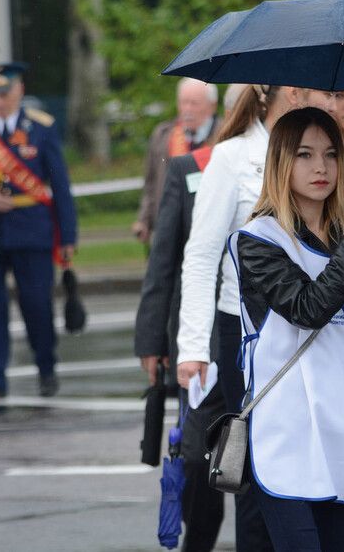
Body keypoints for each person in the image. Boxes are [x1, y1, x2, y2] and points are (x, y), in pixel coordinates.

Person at [176, 84, 335, 552]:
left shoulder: (330, 155)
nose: (320, 99)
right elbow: (202, 254)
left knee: (315, 460)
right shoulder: (233, 157)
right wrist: (192, 347)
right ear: (277, 93)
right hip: (250, 328)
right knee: (260, 465)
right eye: (305, 89)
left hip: (319, 326)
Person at [231, 107, 344, 551]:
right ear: (281, 162)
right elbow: (308, 308)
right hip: (285, 430)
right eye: (304, 154)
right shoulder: (259, 238)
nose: (320, 167)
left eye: (330, 154)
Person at [135, 143, 224, 552]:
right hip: (198, 339)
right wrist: (152, 339)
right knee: (197, 455)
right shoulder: (190, 168)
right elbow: (163, 261)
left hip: (256, 333)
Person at [0, 62, 77, 398]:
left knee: (36, 304)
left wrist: (68, 235)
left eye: (5, 93)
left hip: (32, 229)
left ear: (18, 90)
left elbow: (59, 185)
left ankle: (46, 367)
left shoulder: (41, 128)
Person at [132, 77, 219, 244]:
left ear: (212, 106)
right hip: (169, 226)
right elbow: (150, 183)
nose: (187, 109)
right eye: (183, 102)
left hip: (209, 225)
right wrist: (144, 220)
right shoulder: (163, 135)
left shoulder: (225, 134)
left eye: (194, 103)